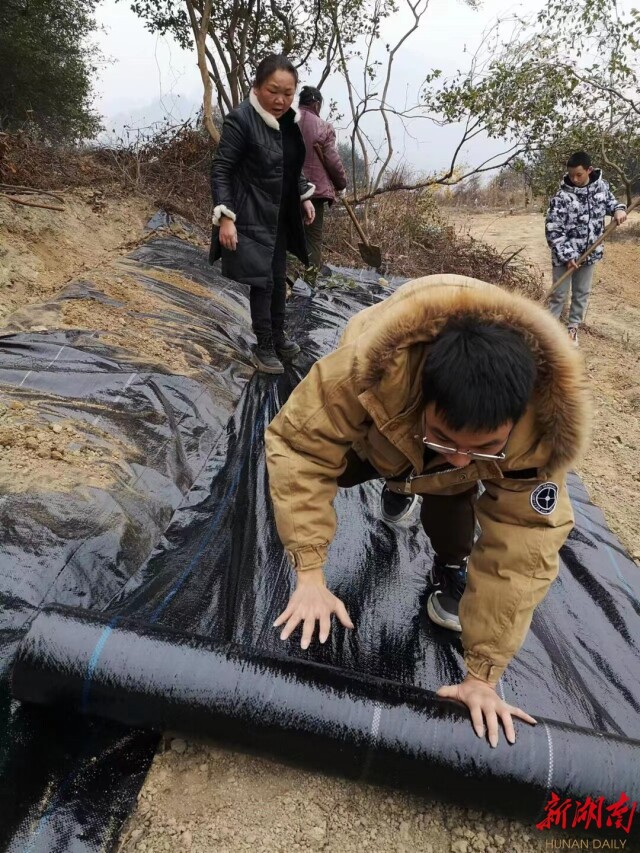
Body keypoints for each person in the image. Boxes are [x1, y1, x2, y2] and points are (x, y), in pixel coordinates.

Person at [265, 274, 590, 745]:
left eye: (484, 446)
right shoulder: (368, 371)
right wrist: (310, 571)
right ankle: (400, 481)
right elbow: (299, 447)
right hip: (380, 438)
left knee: (452, 491)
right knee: (326, 472)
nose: (461, 456)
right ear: (424, 399)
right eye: (447, 438)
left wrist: (482, 676)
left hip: (440, 466)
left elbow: (524, 546)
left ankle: (447, 559)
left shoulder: (540, 433)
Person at [209, 54, 316, 375]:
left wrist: (303, 195)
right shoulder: (241, 120)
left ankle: (279, 337)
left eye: (288, 93)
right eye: (274, 91)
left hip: (279, 215)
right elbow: (221, 170)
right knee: (263, 282)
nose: (281, 100)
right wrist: (225, 216)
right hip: (252, 212)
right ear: (256, 87)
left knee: (278, 277)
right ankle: (265, 345)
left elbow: (289, 163)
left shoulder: (286, 121)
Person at [545, 150, 627, 348]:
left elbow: (611, 203)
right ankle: (547, 332)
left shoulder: (601, 188)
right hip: (564, 257)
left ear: (589, 170)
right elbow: (553, 230)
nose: (574, 178)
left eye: (579, 174)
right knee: (559, 295)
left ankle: (572, 329)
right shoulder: (562, 197)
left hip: (590, 253)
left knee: (581, 293)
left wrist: (619, 209)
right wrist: (568, 255)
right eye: (571, 174)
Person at [297, 85, 348, 276]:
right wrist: (341, 184)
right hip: (314, 191)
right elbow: (332, 160)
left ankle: (280, 280)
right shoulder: (324, 127)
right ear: (317, 104)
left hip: (285, 187)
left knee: (282, 232)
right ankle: (309, 282)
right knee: (312, 239)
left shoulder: (285, 120)